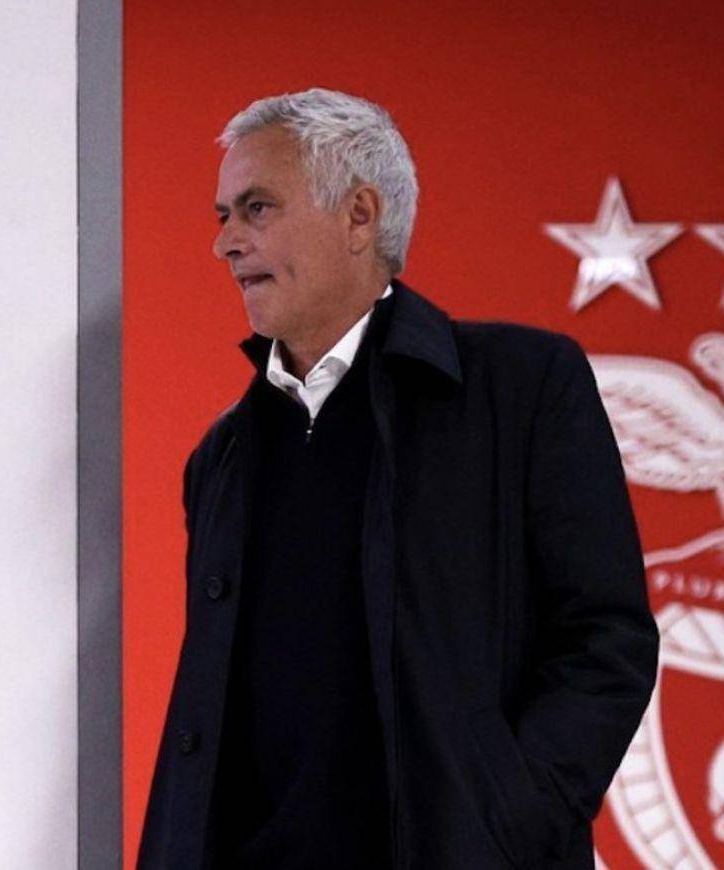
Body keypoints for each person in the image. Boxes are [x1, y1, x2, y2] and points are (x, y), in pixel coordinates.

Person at [137, 87, 658, 870]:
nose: (226, 243)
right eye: (223, 216)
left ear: (359, 216)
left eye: (256, 208)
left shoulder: (523, 386)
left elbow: (606, 637)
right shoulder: (222, 457)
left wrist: (511, 819)